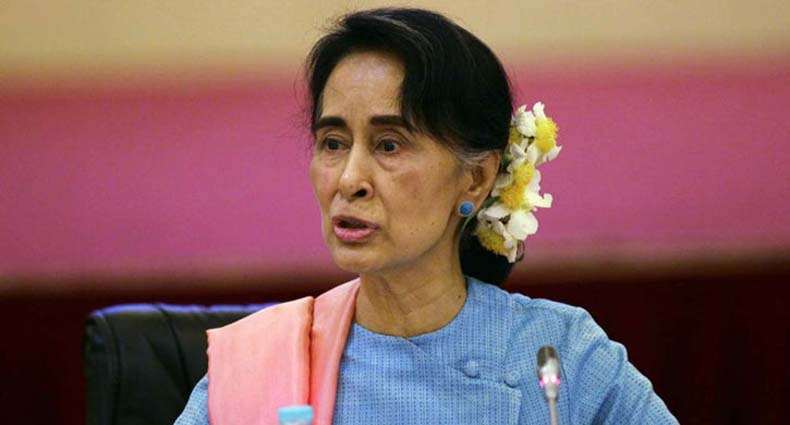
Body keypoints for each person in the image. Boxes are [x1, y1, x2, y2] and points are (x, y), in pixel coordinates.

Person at [175, 7, 677, 425]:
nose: (349, 180)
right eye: (333, 143)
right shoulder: (262, 366)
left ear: (475, 179)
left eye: (389, 144)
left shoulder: (557, 356)